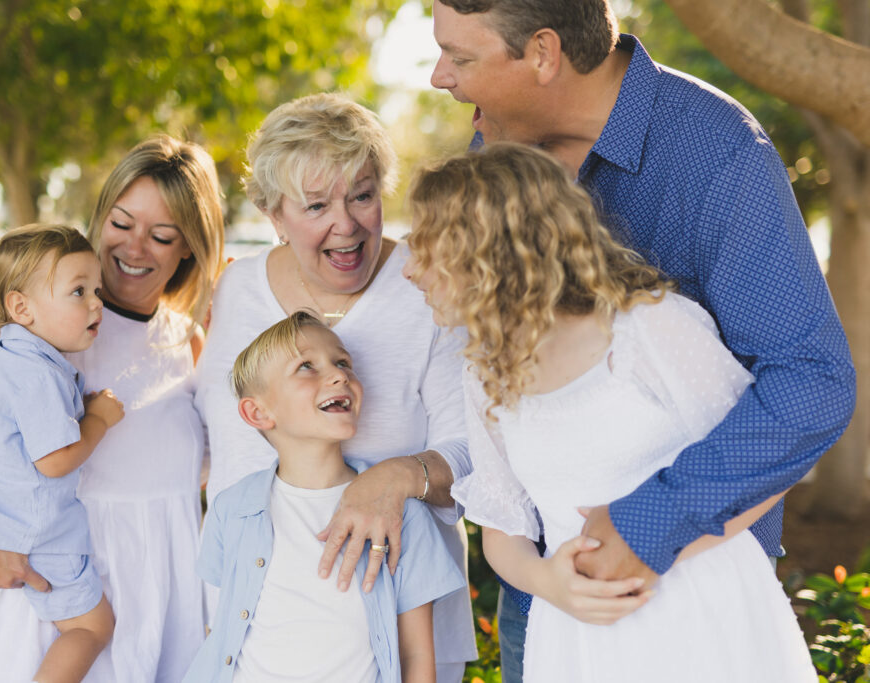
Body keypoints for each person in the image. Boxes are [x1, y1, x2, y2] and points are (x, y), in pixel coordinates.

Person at [428, 1, 855, 678]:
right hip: (551, 609)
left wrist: (649, 524)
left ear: (542, 53)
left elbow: (811, 378)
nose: (438, 77)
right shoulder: (498, 152)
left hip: (696, 594)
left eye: (461, 57)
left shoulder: (716, 152)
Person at [404, 142, 817, 681]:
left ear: (488, 253)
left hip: (703, 617)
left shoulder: (649, 327)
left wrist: (648, 556)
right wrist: (551, 583)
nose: (411, 270)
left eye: (428, 248)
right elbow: (503, 527)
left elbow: (766, 466)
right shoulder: (484, 370)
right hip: (578, 635)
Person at [0, 135, 225, 682]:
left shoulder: (189, 342)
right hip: (50, 610)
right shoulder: (31, 323)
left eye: (162, 235)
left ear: (188, 246)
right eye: (121, 223)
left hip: (164, 612)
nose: (134, 248)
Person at [194, 92, 477, 681]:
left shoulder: (430, 288)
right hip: (255, 640)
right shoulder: (237, 290)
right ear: (274, 214)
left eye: (363, 196)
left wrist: (395, 477)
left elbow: (479, 455)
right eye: (316, 204)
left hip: (395, 634)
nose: (345, 225)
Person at [188, 311, 465, 682]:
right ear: (257, 412)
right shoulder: (231, 507)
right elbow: (226, 624)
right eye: (306, 366)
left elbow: (416, 655)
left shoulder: (402, 512)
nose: (339, 375)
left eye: (343, 362)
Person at [0, 224, 123, 683]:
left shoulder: (0, 358)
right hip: (34, 536)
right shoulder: (40, 374)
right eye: (78, 291)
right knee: (92, 627)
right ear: (22, 308)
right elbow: (54, 460)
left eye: (96, 289)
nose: (97, 302)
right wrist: (99, 419)